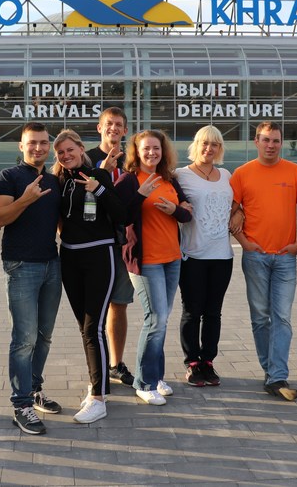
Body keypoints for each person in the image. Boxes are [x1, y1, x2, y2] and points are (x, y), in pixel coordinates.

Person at [230, 121, 297, 402]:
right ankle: (271, 371)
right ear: (256, 141)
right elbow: (230, 210)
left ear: (281, 143)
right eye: (266, 140)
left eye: (276, 140)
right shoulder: (242, 174)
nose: (271, 145)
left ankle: (277, 375)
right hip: (255, 256)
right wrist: (244, 242)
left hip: (285, 257)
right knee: (260, 317)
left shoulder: (294, 171)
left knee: (282, 317)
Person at [0, 122, 63, 435]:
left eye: (43, 143)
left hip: (52, 264)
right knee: (25, 339)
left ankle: (34, 390)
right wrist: (25, 199)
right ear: (21, 146)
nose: (38, 148)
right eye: (32, 143)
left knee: (44, 335)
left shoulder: (54, 180)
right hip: (21, 265)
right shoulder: (8, 177)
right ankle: (20, 405)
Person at [53, 129, 127, 423]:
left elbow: (122, 214)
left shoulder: (98, 175)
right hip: (70, 257)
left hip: (99, 256)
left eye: (70, 150)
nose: (66, 155)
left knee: (93, 327)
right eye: (60, 152)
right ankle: (96, 383)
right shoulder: (60, 180)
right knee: (85, 329)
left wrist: (98, 189)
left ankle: (98, 398)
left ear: (81, 149)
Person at [115, 129, 192, 406]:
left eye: (156, 148)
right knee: (155, 319)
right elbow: (119, 216)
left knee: (162, 319)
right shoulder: (128, 180)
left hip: (172, 258)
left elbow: (187, 213)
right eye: (146, 148)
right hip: (146, 261)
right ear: (137, 152)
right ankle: (144, 383)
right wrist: (139, 195)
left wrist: (174, 210)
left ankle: (156, 377)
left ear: (163, 151)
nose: (151, 153)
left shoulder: (169, 178)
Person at [174, 125, 235, 388]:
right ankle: (192, 363)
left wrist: (239, 212)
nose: (209, 148)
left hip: (222, 255)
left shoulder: (226, 175)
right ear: (196, 145)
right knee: (192, 311)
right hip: (193, 255)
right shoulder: (180, 175)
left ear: (220, 148)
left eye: (215, 144)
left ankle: (207, 362)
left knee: (213, 312)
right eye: (204, 143)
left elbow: (237, 203)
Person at [85, 106, 136, 389]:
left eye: (118, 124)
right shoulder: (86, 158)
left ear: (125, 130)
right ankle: (97, 366)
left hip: (123, 243)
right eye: (109, 124)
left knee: (120, 303)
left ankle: (116, 364)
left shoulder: (133, 160)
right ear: (99, 128)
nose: (113, 128)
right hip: (95, 242)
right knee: (95, 308)